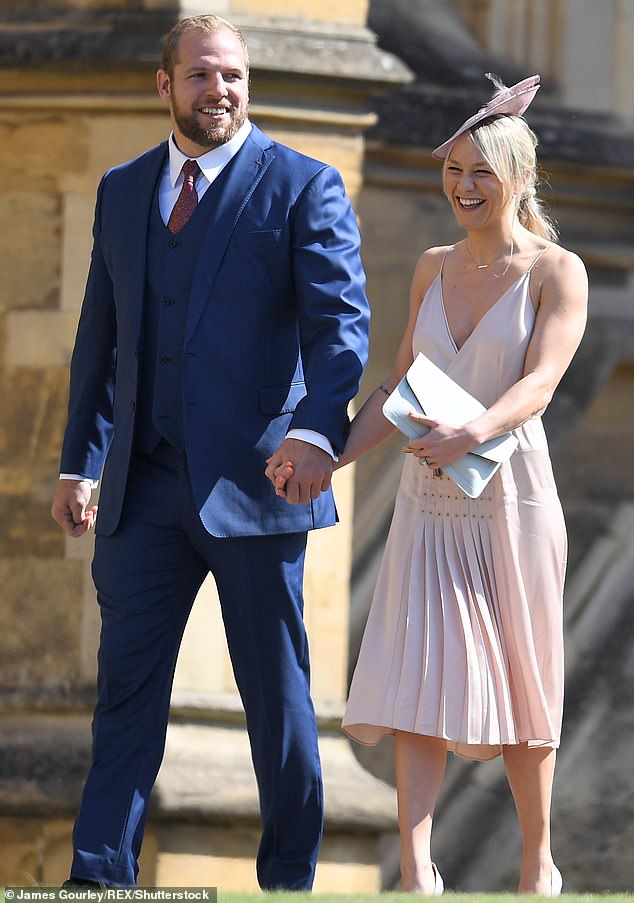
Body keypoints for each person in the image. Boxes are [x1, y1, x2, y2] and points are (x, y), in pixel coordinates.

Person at [50, 13, 370, 890]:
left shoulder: (304, 185)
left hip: (258, 486)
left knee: (276, 698)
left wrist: (314, 432)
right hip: (142, 488)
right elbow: (100, 340)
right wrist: (80, 460)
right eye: (200, 76)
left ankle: (290, 874)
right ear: (165, 86)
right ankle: (99, 873)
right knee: (125, 694)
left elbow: (341, 330)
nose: (218, 90)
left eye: (232, 74)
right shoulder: (121, 189)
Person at [277, 73, 588, 895]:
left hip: (510, 501)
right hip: (428, 502)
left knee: (523, 678)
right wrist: (329, 456)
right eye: (454, 170)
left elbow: (542, 384)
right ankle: (417, 868)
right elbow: (401, 384)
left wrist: (474, 430)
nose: (464, 186)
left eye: (481, 171)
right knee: (420, 676)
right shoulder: (431, 265)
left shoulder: (558, 271)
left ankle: (536, 861)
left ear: (517, 177)